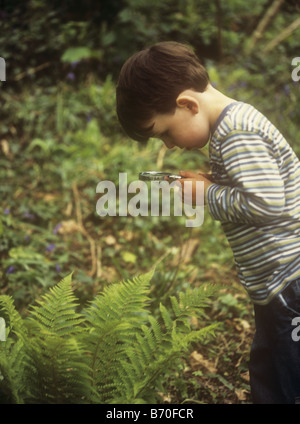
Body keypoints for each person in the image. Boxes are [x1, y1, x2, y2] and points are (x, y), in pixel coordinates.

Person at [116, 41, 300, 404]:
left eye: (164, 131)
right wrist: (217, 184)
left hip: (289, 280)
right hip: (275, 283)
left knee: (290, 376)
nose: (168, 145)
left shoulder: (235, 133)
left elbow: (267, 204)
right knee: (269, 367)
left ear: (187, 104)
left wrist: (207, 195)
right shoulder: (230, 128)